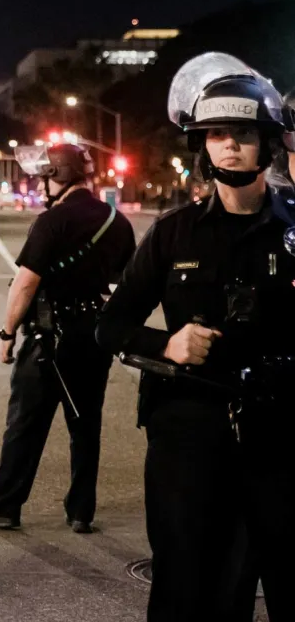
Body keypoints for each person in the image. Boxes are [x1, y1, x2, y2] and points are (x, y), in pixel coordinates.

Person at [97, 52, 295, 621]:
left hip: (280, 435)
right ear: (200, 146)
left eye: (242, 134)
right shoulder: (171, 234)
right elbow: (107, 327)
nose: (229, 145)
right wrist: (166, 344)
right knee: (188, 586)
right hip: (190, 437)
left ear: (268, 143)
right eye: (215, 135)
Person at [0, 143, 135, 532]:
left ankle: (4, 507)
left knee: (26, 424)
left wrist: (7, 333)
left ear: (58, 176)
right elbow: (127, 284)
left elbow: (25, 283)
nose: (40, 185)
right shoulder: (117, 221)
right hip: (94, 337)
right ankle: (80, 511)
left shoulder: (53, 221)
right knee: (86, 424)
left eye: (43, 177)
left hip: (49, 338)